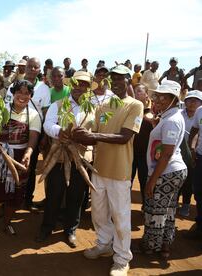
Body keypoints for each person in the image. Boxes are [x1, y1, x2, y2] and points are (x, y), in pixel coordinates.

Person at [72, 64, 143, 276]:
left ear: (129, 81)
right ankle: (104, 244)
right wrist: (78, 132)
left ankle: (122, 259)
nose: (117, 82)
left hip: (120, 171)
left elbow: (124, 137)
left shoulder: (135, 105)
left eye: (122, 78)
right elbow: (95, 132)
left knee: (120, 217)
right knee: (99, 213)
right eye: (114, 78)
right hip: (99, 168)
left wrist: (92, 136)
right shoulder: (103, 106)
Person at [36, 71, 95, 247]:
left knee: (76, 197)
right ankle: (47, 228)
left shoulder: (92, 108)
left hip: (81, 158)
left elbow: (97, 129)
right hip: (59, 156)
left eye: (84, 85)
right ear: (72, 85)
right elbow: (48, 124)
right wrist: (59, 132)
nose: (79, 88)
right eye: (77, 84)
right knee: (54, 194)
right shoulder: (58, 104)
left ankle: (71, 230)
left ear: (87, 88)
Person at [0, 80, 41, 247]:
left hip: (21, 157)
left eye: (27, 93)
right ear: (13, 93)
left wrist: (29, 153)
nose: (22, 96)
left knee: (16, 196)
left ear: (31, 96)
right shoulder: (1, 110)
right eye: (19, 92)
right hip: (0, 156)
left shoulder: (34, 115)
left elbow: (33, 138)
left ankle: (7, 222)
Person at [139, 81, 187, 258]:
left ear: (173, 99)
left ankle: (151, 246)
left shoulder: (172, 120)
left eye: (163, 97)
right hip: (170, 171)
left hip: (166, 171)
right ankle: (165, 245)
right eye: (157, 96)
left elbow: (166, 154)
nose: (157, 99)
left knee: (155, 210)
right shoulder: (168, 117)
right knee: (168, 209)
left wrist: (152, 180)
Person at [5, 57, 51, 209]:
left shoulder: (44, 88)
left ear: (39, 70)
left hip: (34, 132)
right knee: (7, 165)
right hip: (12, 133)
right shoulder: (14, 85)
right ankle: (7, 199)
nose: (32, 69)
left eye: (35, 67)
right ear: (25, 68)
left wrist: (43, 136)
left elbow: (45, 112)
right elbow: (6, 108)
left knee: (29, 167)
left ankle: (27, 200)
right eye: (29, 66)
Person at [177, 90, 202, 216]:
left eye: (195, 100)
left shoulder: (199, 114)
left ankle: (186, 204)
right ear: (185, 102)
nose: (192, 103)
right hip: (177, 151)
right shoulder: (178, 114)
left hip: (192, 154)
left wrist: (192, 149)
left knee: (189, 179)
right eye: (189, 100)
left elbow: (196, 134)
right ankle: (174, 202)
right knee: (175, 177)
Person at [131, 84, 153, 204]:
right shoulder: (130, 109)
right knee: (127, 181)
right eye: (135, 91)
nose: (136, 93)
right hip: (130, 153)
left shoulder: (153, 112)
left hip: (146, 155)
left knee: (145, 181)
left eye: (139, 91)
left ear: (146, 95)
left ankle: (146, 207)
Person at [186, 89, 202, 240]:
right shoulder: (200, 111)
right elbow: (195, 129)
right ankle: (200, 225)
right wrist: (192, 146)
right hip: (200, 157)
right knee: (198, 192)